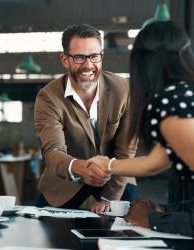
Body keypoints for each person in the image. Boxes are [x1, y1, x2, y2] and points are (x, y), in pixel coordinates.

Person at [88, 21, 194, 236]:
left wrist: (156, 220)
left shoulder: (171, 102)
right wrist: (107, 164)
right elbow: (153, 164)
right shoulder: (184, 96)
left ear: (141, 64)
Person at [34, 23, 137, 209]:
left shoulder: (124, 89)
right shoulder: (48, 97)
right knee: (44, 229)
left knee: (130, 228)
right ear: (65, 60)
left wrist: (109, 198)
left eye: (94, 56)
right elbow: (52, 152)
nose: (89, 65)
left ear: (101, 56)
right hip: (66, 179)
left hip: (116, 177)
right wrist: (82, 168)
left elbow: (126, 150)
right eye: (80, 57)